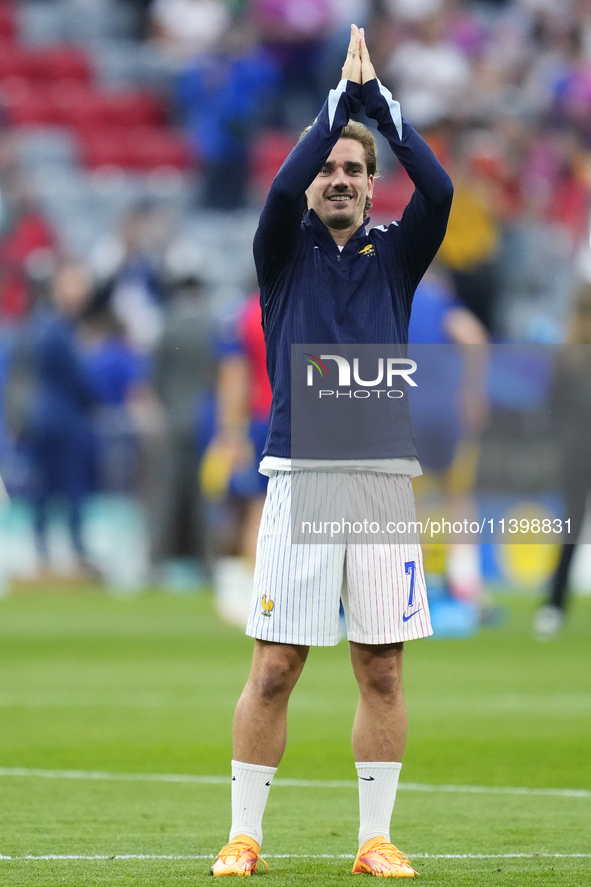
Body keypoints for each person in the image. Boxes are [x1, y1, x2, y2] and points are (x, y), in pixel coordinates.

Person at [210, 25, 453, 878]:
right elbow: (278, 188)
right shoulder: (282, 251)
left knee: (380, 668)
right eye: (328, 167)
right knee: (275, 665)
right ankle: (244, 835)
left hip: (382, 476)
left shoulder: (396, 257)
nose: (339, 178)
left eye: (354, 169)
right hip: (303, 472)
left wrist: (380, 109)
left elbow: (441, 187)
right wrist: (332, 111)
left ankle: (373, 839)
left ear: (371, 184)